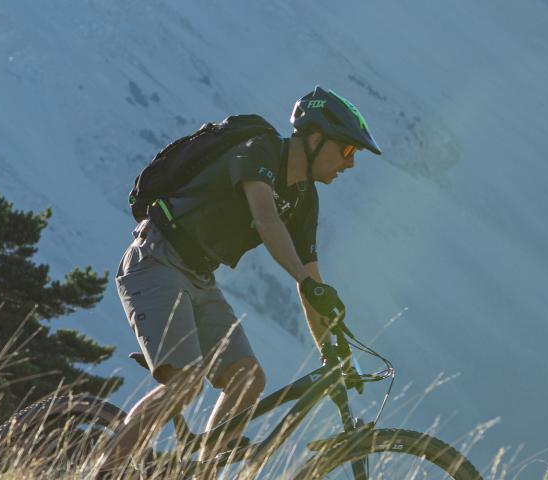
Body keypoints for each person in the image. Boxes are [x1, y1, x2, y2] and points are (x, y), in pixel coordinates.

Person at [99, 86, 379, 471]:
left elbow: (311, 280)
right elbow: (265, 217)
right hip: (156, 259)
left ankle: (204, 473)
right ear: (315, 138)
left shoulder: (304, 197)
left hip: (199, 276)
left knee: (248, 379)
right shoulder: (259, 149)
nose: (350, 164)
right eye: (347, 150)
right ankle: (104, 472)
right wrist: (307, 280)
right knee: (185, 384)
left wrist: (329, 347)